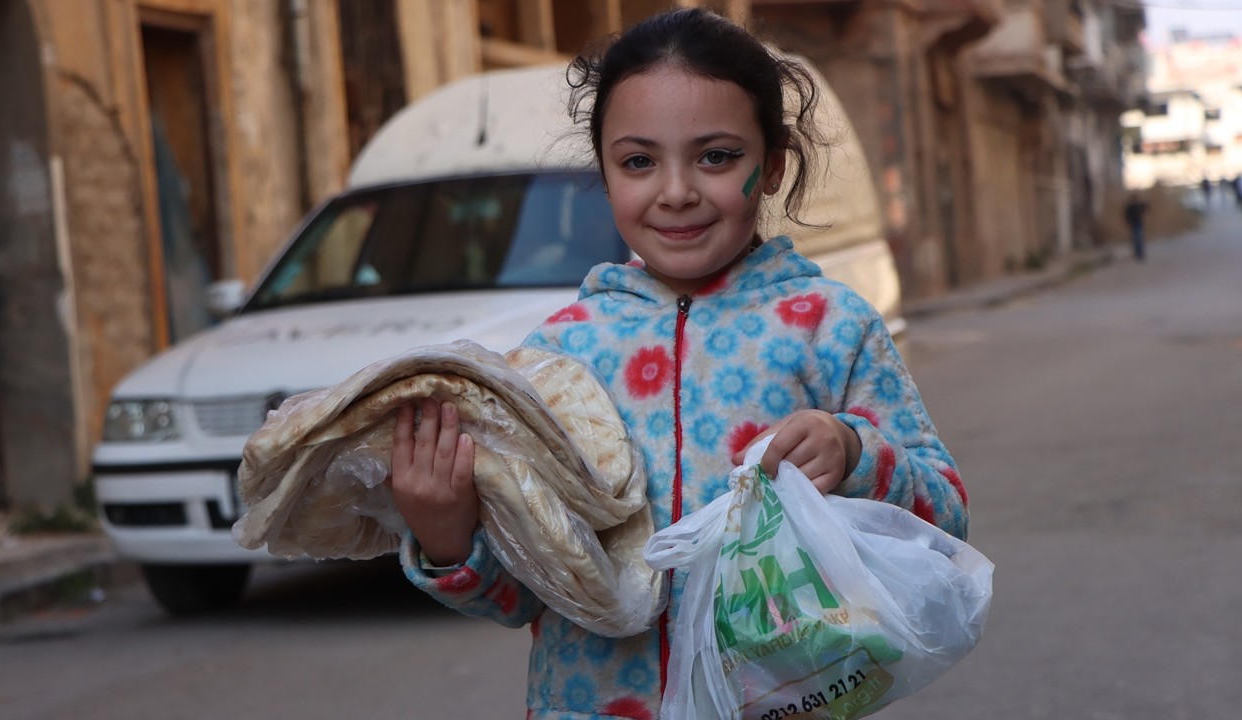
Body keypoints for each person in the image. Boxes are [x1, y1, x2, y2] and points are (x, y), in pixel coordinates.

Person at [388, 8, 968, 719]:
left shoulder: (829, 326)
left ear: (775, 163)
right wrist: (446, 534)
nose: (675, 191)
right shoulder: (555, 358)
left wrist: (853, 451)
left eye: (716, 156)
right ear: (603, 172)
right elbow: (523, 596)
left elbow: (942, 526)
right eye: (638, 161)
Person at [1124, 191, 1148, 262]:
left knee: (1138, 238)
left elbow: (1146, 208)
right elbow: (1126, 216)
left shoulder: (1137, 205)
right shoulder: (1130, 206)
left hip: (1138, 224)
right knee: (1136, 239)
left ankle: (1140, 253)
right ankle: (1138, 253)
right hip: (1134, 224)